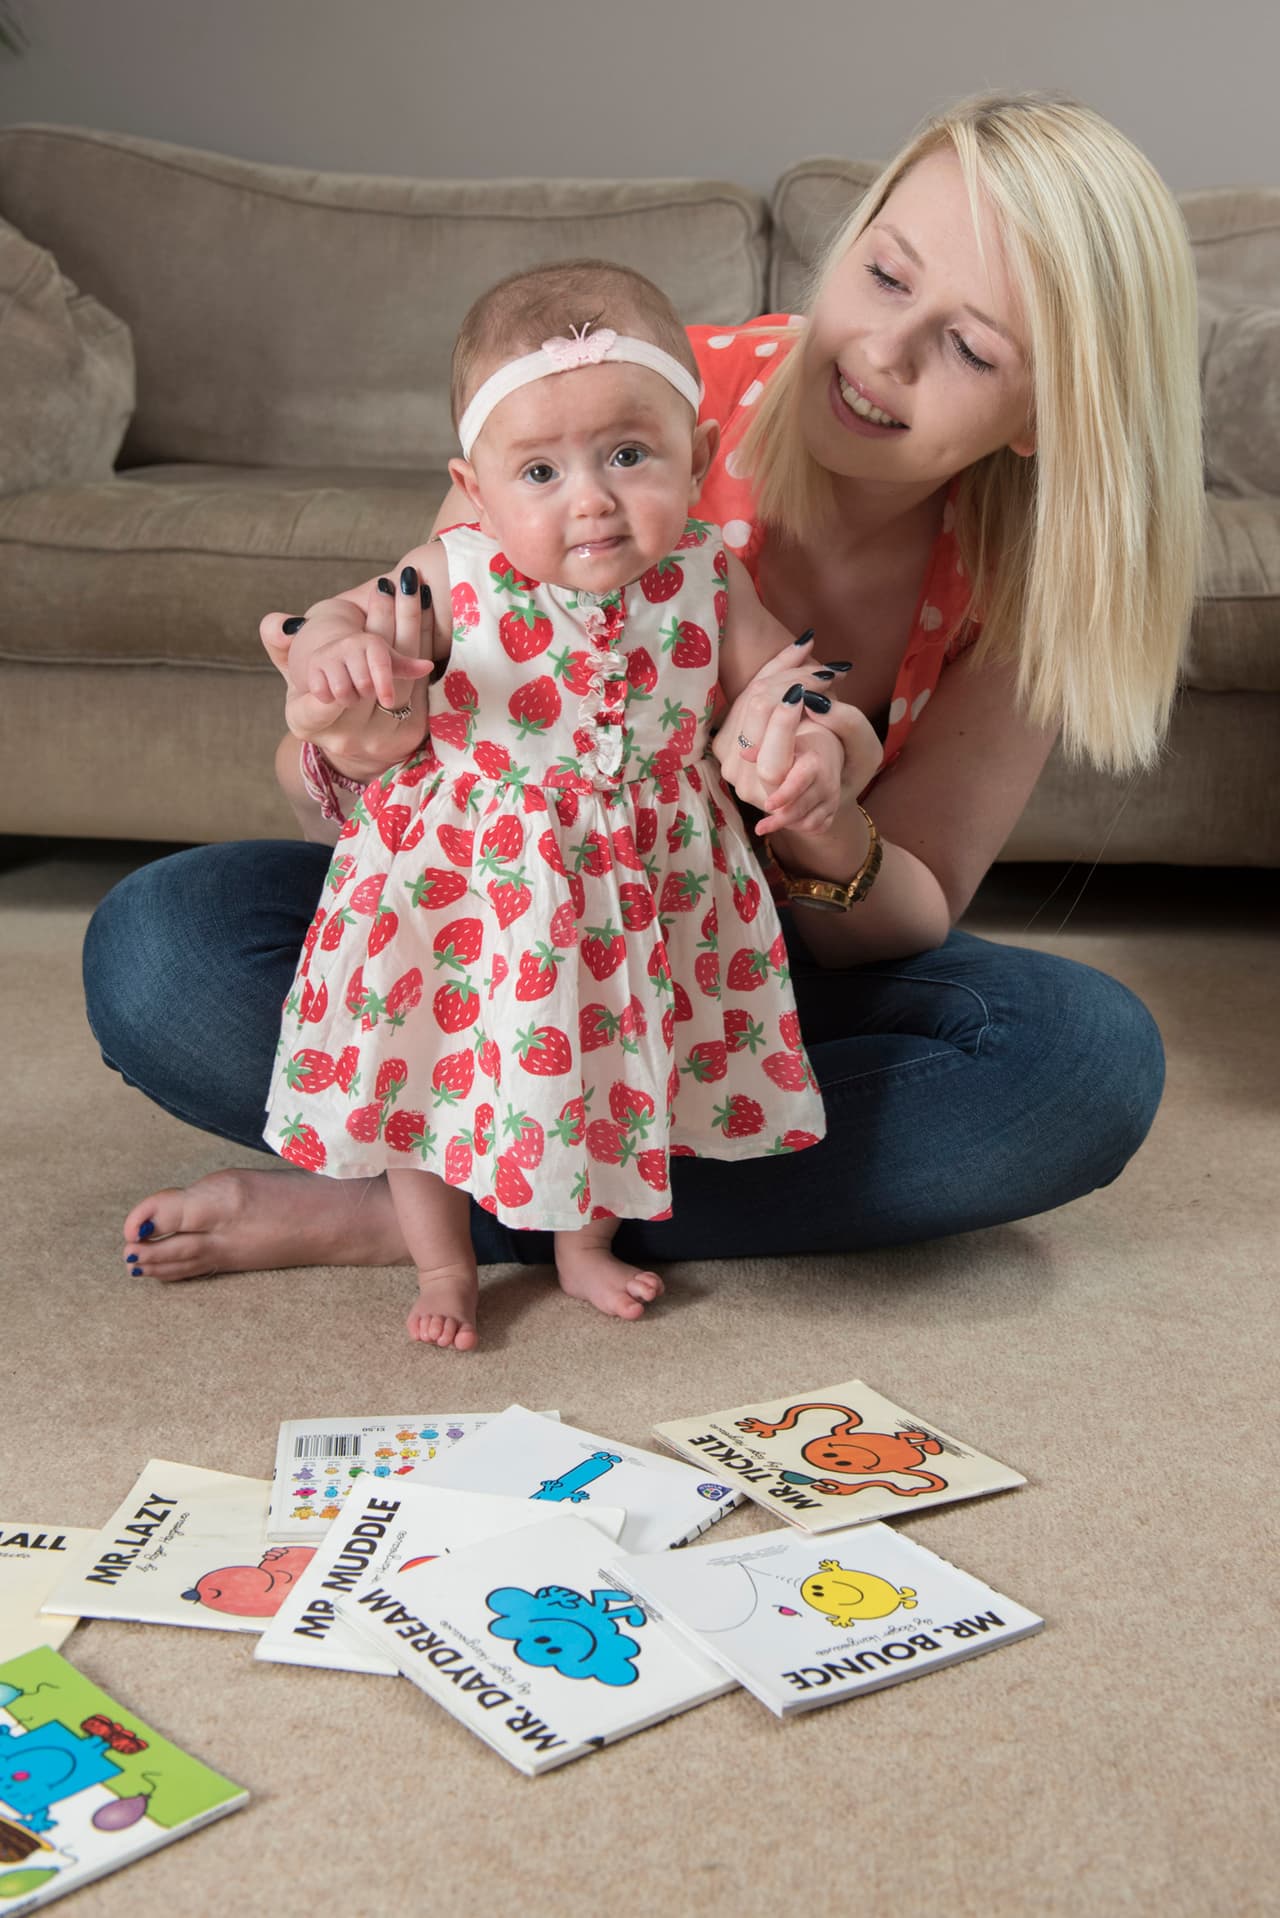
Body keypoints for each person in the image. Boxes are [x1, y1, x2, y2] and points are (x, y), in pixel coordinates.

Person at [91, 92, 1202, 1294]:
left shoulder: (1024, 574)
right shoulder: (616, 395)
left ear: (1047, 415)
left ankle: (433, 1213)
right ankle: (546, 1177)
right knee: (163, 945)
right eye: (884, 277)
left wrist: (823, 823)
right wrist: (359, 746)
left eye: (973, 349)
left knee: (1081, 1064)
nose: (885, 353)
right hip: (501, 950)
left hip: (738, 994)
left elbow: (911, 914)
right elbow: (363, 799)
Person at [261, 261, 834, 1350]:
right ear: (473, 489)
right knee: (424, 1066)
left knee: (623, 1066)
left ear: (698, 461)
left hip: (638, 891)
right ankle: (441, 1257)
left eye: (627, 455)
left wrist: (798, 721)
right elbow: (343, 614)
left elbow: (785, 668)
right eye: (538, 469)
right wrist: (334, 651)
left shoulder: (708, 575)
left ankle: (580, 1242)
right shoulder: (450, 571)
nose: (590, 497)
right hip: (465, 897)